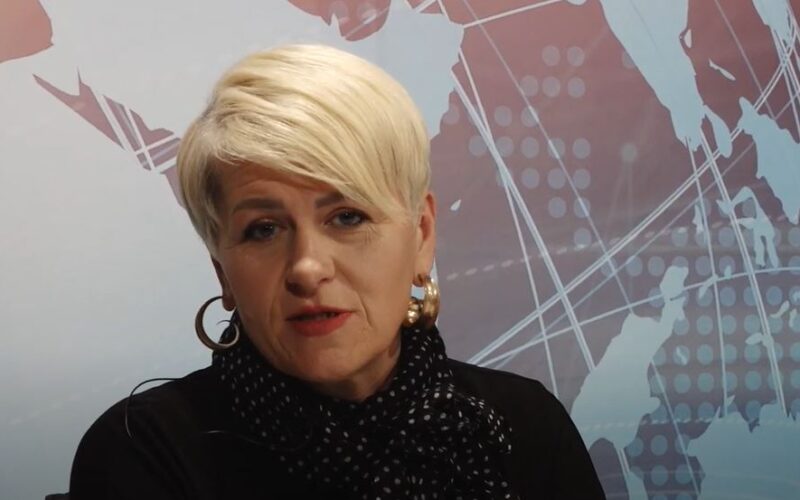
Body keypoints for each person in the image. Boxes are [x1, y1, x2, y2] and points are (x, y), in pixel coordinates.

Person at [68, 44, 605, 499]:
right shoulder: (146, 450)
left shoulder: (524, 425)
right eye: (263, 229)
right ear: (222, 271)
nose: (306, 268)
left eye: (347, 217)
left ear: (421, 236)